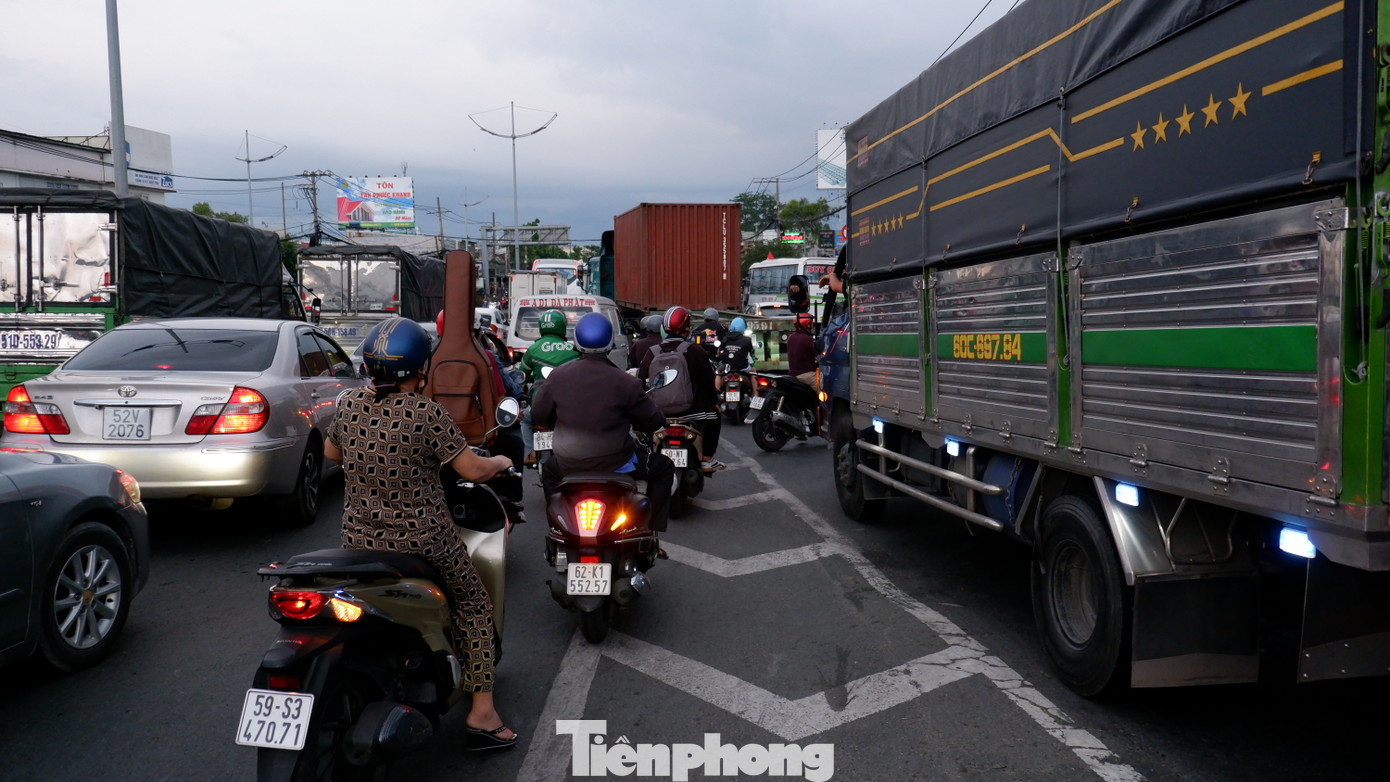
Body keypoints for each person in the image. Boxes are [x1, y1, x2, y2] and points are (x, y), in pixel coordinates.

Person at [324, 317, 518, 750]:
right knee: (473, 604)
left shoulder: (350, 403)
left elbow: (331, 451)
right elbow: (472, 468)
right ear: (420, 370)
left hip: (358, 543)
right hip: (425, 542)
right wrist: (502, 463)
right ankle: (482, 712)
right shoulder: (426, 412)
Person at [532, 312, 675, 532]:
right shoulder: (626, 382)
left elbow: (539, 416)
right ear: (610, 343)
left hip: (568, 463)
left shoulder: (558, 377)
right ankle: (650, 529)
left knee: (548, 471)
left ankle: (558, 527)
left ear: (576, 343)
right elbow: (654, 420)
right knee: (664, 467)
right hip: (616, 462)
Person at [638, 305, 724, 472]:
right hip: (693, 413)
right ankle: (707, 458)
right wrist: (714, 403)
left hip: (660, 414)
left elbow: (641, 383)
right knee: (716, 417)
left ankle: (649, 455)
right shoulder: (695, 350)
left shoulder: (652, 352)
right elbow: (708, 382)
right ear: (686, 328)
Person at [518, 310, 580, 466]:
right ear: (562, 326)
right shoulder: (573, 349)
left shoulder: (533, 349)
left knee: (525, 419)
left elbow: (521, 377)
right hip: (568, 407)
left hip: (539, 407)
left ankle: (530, 452)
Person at [787, 312, 818, 385]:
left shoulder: (791, 338)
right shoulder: (809, 339)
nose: (813, 326)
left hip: (793, 375)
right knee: (825, 392)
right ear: (807, 324)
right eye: (811, 324)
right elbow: (817, 355)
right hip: (808, 375)